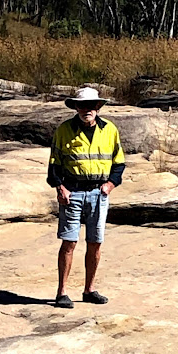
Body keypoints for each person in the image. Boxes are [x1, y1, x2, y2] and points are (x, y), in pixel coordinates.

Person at [47, 87, 125, 309]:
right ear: (76, 107)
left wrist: (110, 185)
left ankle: (89, 290)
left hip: (98, 194)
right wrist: (59, 187)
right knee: (69, 242)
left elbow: (119, 162)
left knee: (95, 243)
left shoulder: (110, 130)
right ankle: (62, 292)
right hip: (72, 192)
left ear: (98, 107)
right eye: (82, 105)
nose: (86, 109)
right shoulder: (64, 130)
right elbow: (54, 165)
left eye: (91, 105)